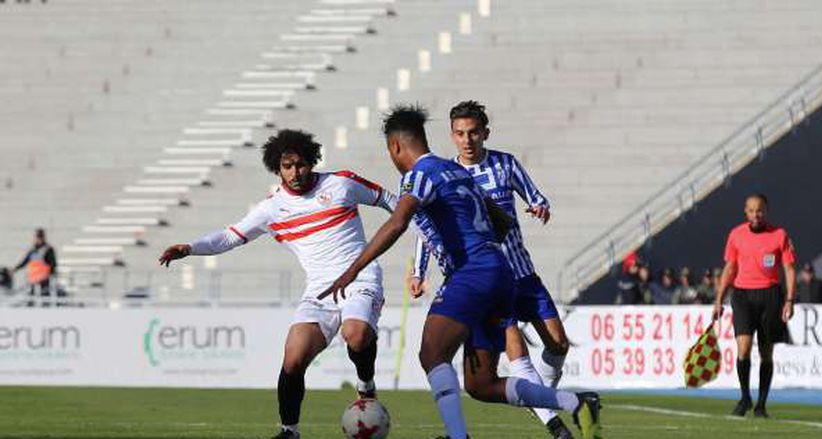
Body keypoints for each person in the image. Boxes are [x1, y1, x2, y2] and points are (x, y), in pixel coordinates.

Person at [318, 105, 601, 439]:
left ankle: (458, 437)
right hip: (499, 272)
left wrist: (352, 270)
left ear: (395, 147)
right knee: (481, 384)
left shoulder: (419, 175)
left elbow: (397, 223)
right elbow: (502, 222)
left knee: (431, 353)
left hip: (472, 274)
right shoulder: (458, 173)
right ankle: (576, 402)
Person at [158, 129, 398, 439]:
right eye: (287, 166)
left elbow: (391, 201)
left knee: (356, 333)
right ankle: (289, 431)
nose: (295, 172)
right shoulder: (271, 209)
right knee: (293, 357)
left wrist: (426, 237)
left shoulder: (341, 183)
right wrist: (191, 248)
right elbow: (230, 236)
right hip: (319, 291)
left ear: (311, 162)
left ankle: (365, 384)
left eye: (300, 164)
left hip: (359, 276)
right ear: (277, 168)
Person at [409, 100, 573, 438]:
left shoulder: (505, 164)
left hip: (522, 271)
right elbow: (428, 229)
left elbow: (537, 198)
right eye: (459, 134)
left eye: (472, 133)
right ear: (452, 136)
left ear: (485, 133)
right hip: (486, 280)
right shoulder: (445, 174)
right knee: (517, 353)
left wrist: (540, 208)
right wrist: (418, 271)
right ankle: (553, 423)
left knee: (558, 344)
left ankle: (541, 397)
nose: (467, 140)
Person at [712, 194, 796, 418]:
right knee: (744, 349)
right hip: (742, 295)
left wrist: (789, 299)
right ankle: (744, 397)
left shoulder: (779, 235)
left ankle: (761, 405)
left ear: (765, 210)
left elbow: (789, 269)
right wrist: (719, 299)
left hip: (770, 295)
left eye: (759, 210)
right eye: (751, 210)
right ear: (745, 212)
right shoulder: (736, 234)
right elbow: (729, 268)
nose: (755, 214)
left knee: (766, 353)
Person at [13, 228, 56, 307]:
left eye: (40, 237)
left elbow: (53, 263)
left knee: (45, 297)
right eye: (37, 237)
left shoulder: (48, 249)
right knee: (31, 298)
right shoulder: (33, 249)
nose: (38, 239)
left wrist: (52, 274)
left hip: (44, 278)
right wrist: (15, 269)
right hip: (33, 277)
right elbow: (25, 261)